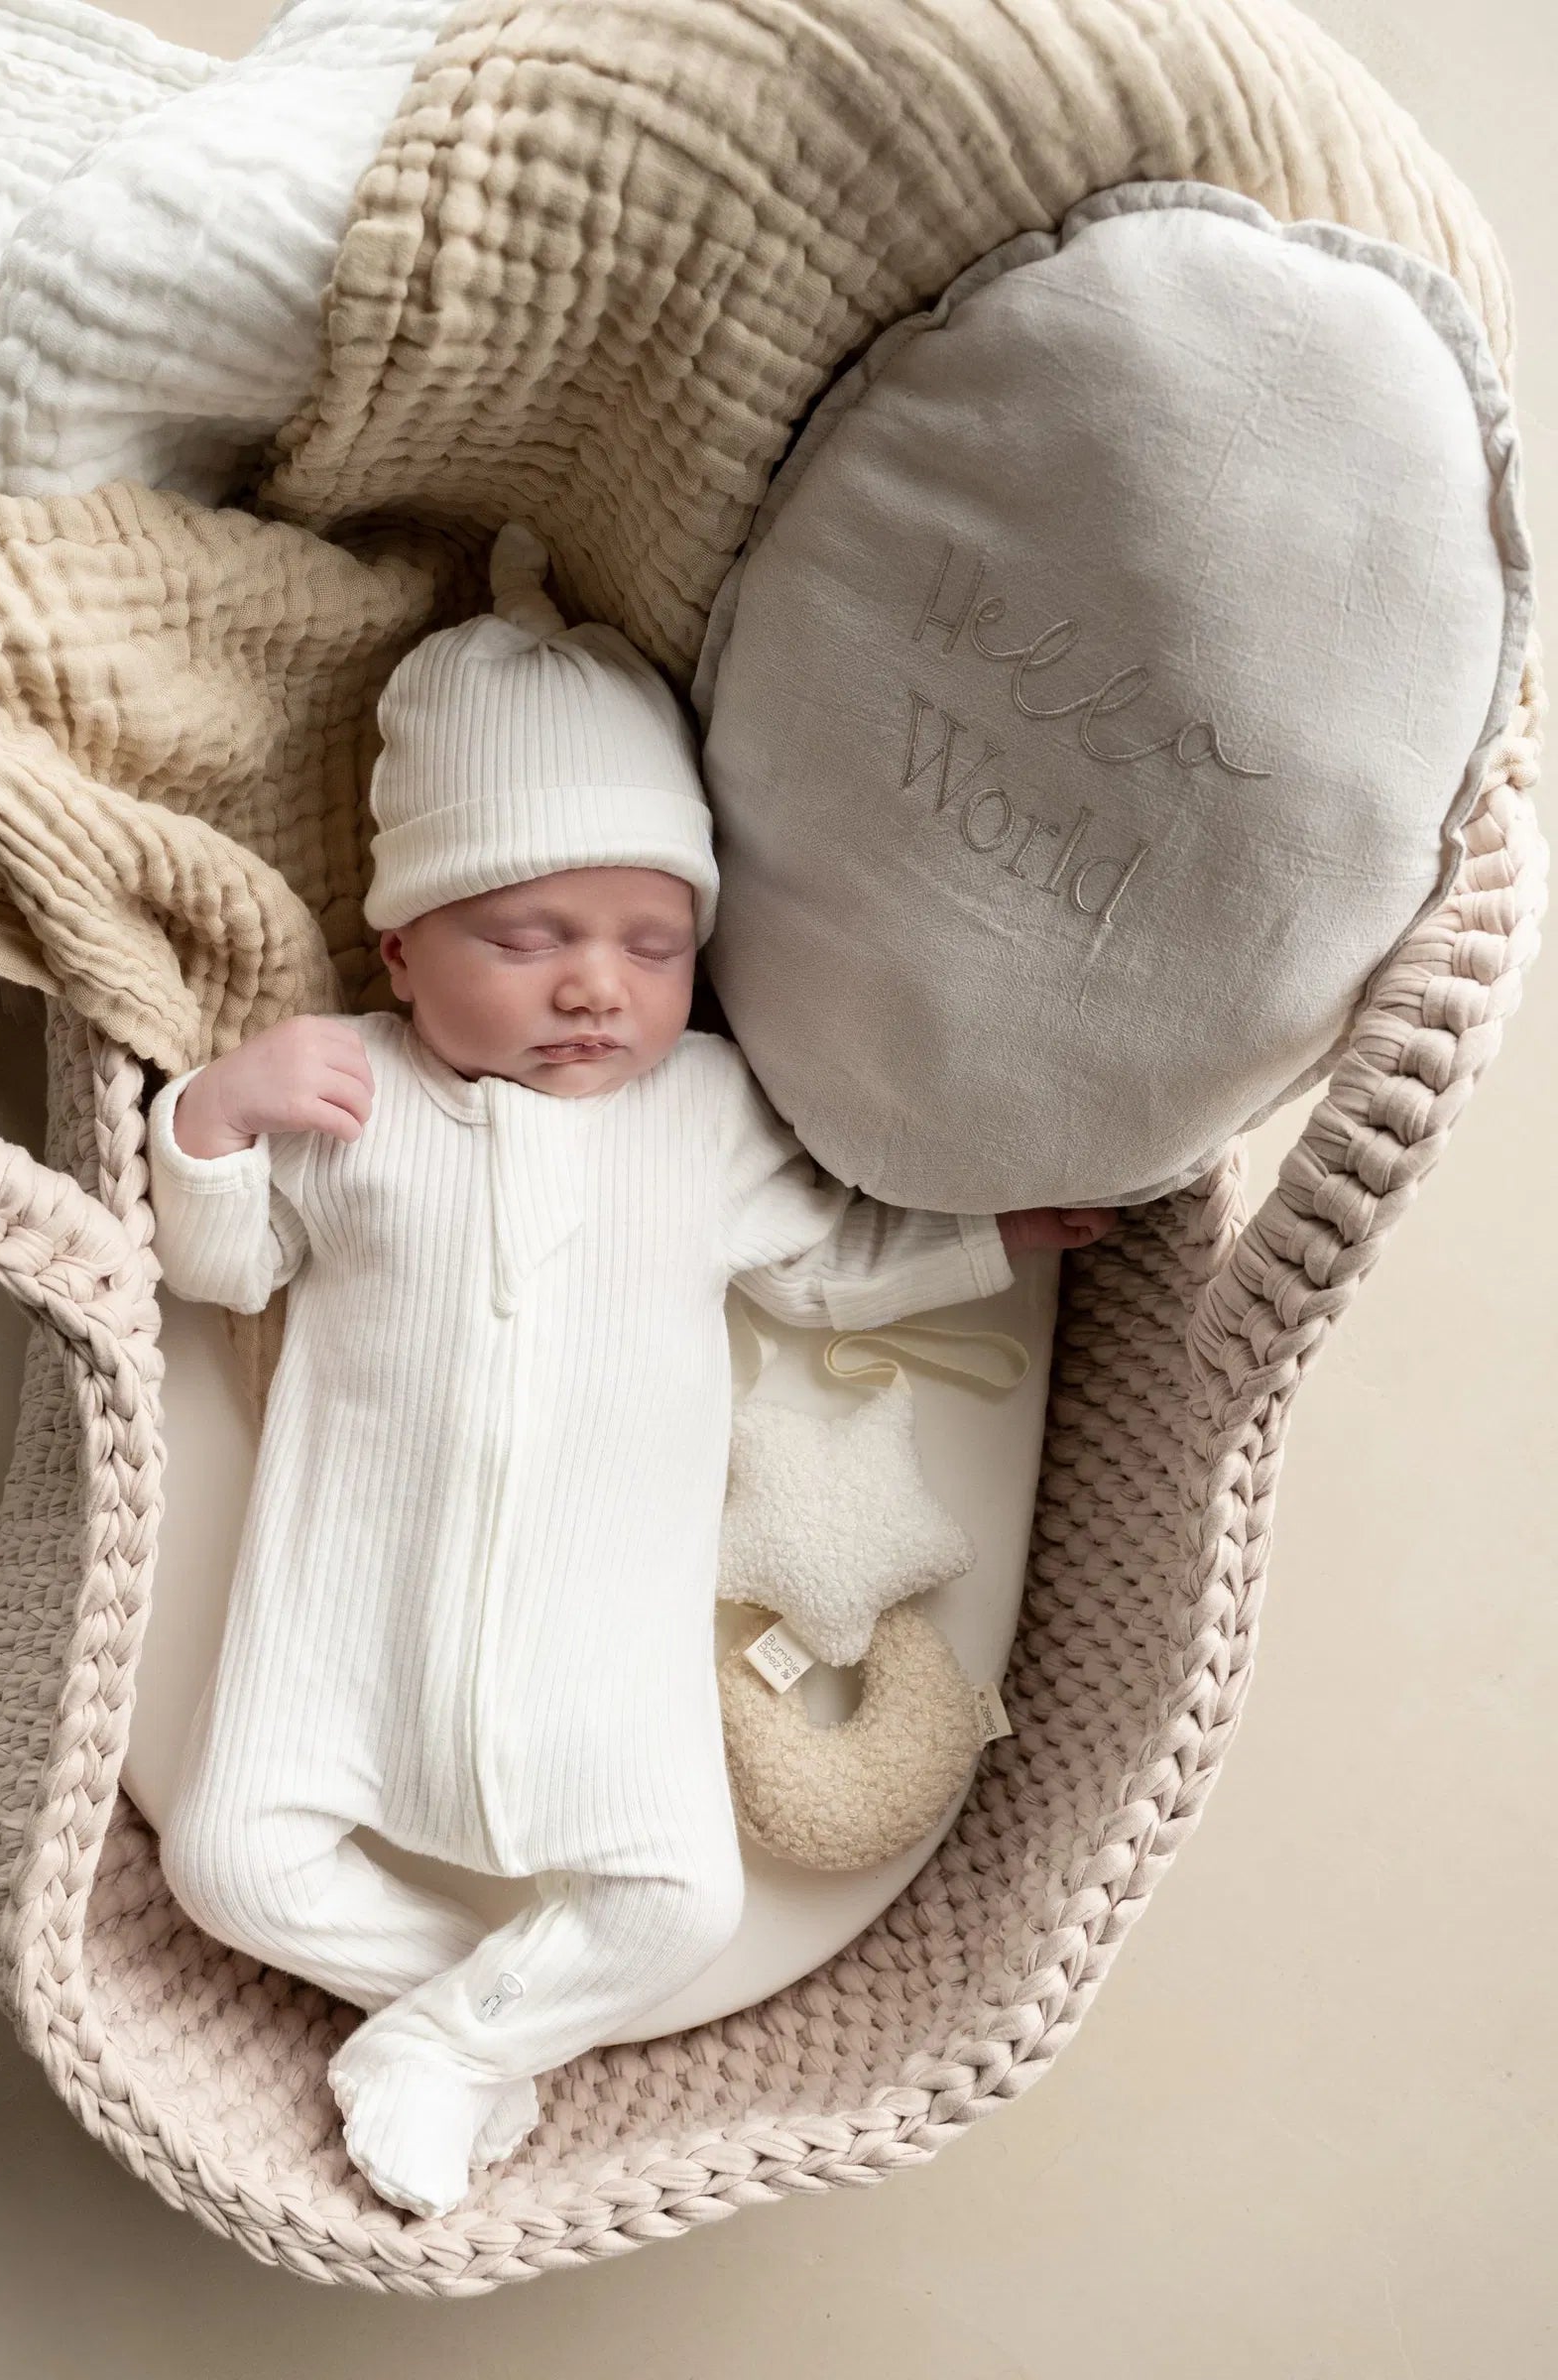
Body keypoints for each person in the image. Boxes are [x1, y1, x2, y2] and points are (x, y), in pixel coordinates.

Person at [145, 526, 1107, 2218]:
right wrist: (214, 1122)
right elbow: (217, 1270)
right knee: (225, 1863)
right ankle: (473, 2027)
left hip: (600, 1651)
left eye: (655, 945)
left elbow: (826, 1258)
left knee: (682, 1908)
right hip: (344, 1615)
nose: (597, 984)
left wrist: (992, 1233)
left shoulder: (704, 1112)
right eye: (528, 936)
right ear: (400, 950)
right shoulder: (347, 1094)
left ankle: (447, 2048)